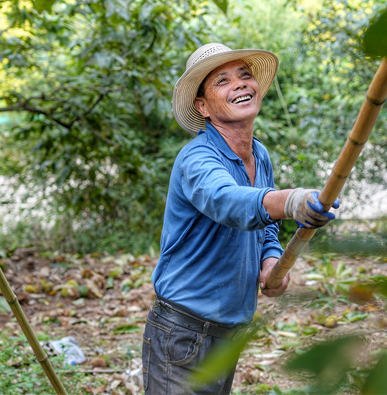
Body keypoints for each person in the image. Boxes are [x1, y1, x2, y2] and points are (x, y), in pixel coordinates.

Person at [141, 42, 340, 394]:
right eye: (223, 80)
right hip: (183, 328)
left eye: (245, 76)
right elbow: (228, 202)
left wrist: (271, 260)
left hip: (229, 329)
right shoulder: (196, 159)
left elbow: (265, 228)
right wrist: (292, 200)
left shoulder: (259, 155)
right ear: (202, 106)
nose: (240, 84)